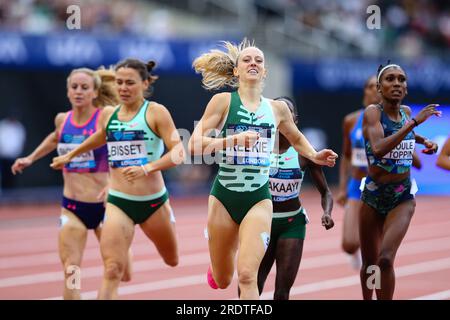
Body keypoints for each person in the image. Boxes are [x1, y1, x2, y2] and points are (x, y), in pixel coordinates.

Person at [189, 39, 337, 300]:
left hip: (258, 199)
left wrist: (315, 155)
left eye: (259, 60)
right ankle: (217, 263)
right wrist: (232, 140)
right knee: (224, 279)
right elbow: (194, 145)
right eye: (247, 60)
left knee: (247, 275)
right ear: (236, 71)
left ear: (265, 71)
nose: (253, 63)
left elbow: (297, 138)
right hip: (224, 196)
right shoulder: (222, 102)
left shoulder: (277, 108)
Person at [51, 59, 185, 300]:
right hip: (118, 202)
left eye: (130, 83)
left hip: (153, 203)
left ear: (145, 84)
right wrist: (70, 155)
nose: (123, 88)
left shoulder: (155, 112)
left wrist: (147, 168)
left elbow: (179, 152)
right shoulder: (111, 114)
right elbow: (101, 137)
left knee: (172, 259)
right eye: (120, 82)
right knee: (112, 269)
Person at [11, 67, 131, 299]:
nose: (78, 92)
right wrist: (30, 158)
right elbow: (55, 137)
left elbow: (123, 151)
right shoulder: (62, 119)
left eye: (84, 87)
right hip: (73, 207)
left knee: (119, 270)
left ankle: (125, 249)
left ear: (95, 92)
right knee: (71, 269)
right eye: (74, 87)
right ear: (67, 92)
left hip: (106, 207)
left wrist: (115, 184)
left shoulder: (104, 117)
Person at [359, 62, 440, 300]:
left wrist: (425, 141)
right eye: (390, 79)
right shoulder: (373, 113)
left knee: (385, 259)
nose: (396, 83)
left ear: (406, 88)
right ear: (379, 88)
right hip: (373, 194)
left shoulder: (404, 112)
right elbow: (379, 148)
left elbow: (406, 132)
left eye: (401, 80)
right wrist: (415, 123)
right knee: (370, 264)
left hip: (402, 196)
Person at [256, 96, 334, 300]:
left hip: (292, 223)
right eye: (276, 111)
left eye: (286, 112)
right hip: (261, 222)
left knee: (282, 292)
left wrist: (327, 212)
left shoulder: (304, 152)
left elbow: (326, 192)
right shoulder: (259, 148)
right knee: (251, 284)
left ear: (294, 119)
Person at [336, 75, 379, 269]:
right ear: (365, 91)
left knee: (378, 249)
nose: (374, 90)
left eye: (378, 86)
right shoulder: (351, 120)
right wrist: (343, 188)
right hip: (356, 185)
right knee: (349, 244)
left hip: (381, 186)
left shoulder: (392, 119)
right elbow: (346, 156)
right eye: (370, 86)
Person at [0, 115, 26, 191]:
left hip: (14, 157)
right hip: (2, 157)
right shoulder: (3, 125)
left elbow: (21, 141)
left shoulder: (19, 127)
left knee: (13, 176)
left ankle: (12, 196)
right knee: (3, 176)